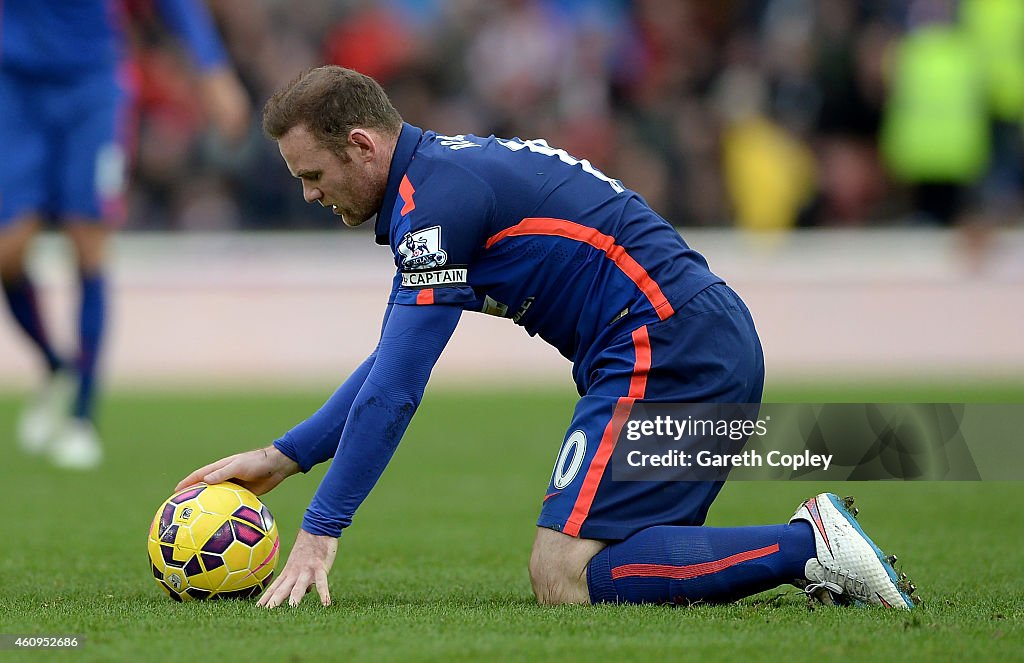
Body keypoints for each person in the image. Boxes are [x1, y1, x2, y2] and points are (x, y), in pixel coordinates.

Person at [177, 66, 919, 609]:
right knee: (615, 568)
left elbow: (398, 387)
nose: (310, 194)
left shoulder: (434, 204)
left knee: (561, 573)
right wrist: (286, 454)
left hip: (665, 347)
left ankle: (810, 546)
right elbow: (389, 363)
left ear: (363, 146)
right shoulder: (437, 180)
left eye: (313, 174)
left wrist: (321, 528)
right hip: (697, 336)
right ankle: (811, 553)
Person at [0, 1, 249, 469]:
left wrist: (212, 68)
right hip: (13, 86)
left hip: (93, 86)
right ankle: (58, 368)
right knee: (8, 252)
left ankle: (81, 417)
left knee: (88, 242)